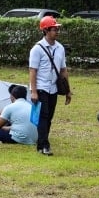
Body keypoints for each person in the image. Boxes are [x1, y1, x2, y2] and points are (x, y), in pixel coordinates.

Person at [28, 16, 71, 156]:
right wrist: (33, 91)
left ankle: (41, 143)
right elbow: (32, 71)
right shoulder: (37, 49)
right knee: (43, 115)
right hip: (41, 86)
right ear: (46, 30)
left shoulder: (60, 48)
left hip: (53, 87)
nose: (57, 31)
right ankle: (45, 145)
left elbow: (63, 70)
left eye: (58, 29)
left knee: (49, 116)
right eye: (54, 29)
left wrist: (68, 90)